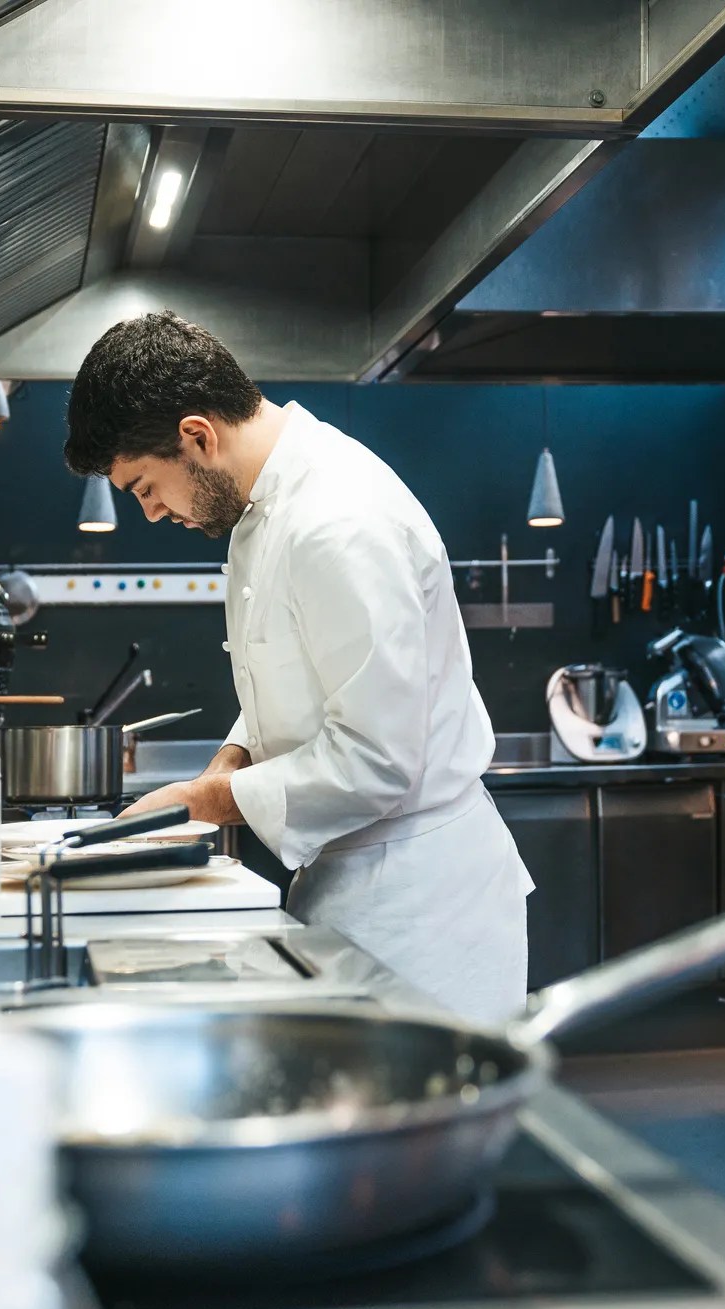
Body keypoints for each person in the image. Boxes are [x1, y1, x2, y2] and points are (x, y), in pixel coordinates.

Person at [62, 312, 532, 1019]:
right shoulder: (262, 508)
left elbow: (376, 758)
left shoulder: (339, 521)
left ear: (197, 437)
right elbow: (297, 676)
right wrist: (231, 757)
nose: (152, 513)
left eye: (143, 487)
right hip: (351, 885)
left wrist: (204, 802)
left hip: (421, 915)